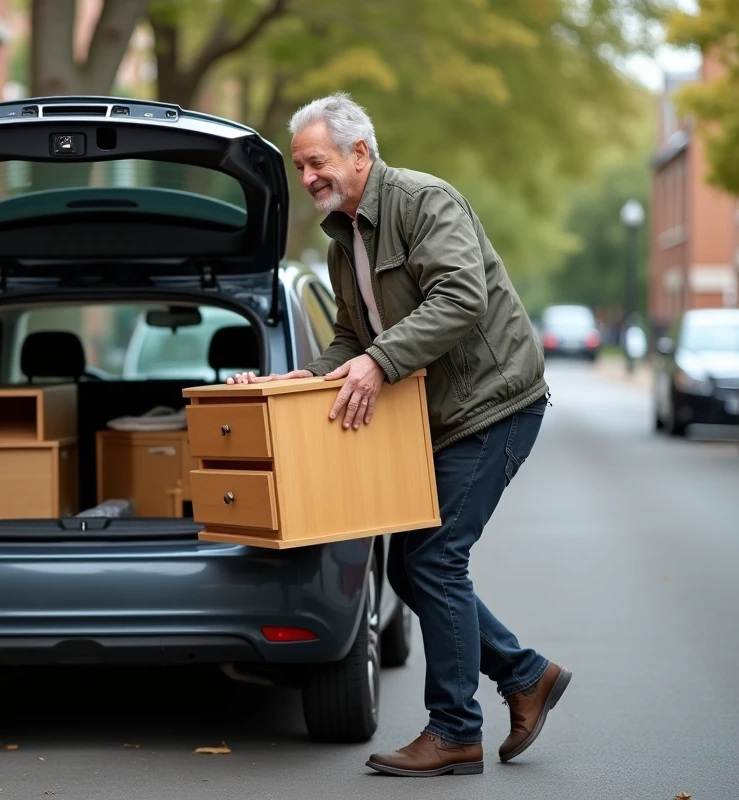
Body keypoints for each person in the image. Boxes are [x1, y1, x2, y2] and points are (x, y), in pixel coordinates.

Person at [229, 93, 571, 776]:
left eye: (315, 163)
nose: (307, 178)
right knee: (415, 565)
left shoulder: (424, 202)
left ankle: (454, 731)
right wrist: (306, 379)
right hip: (437, 417)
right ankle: (525, 674)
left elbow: (460, 296)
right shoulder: (342, 240)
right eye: (299, 167)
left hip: (494, 402)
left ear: (360, 153)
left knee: (435, 559)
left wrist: (377, 363)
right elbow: (354, 339)